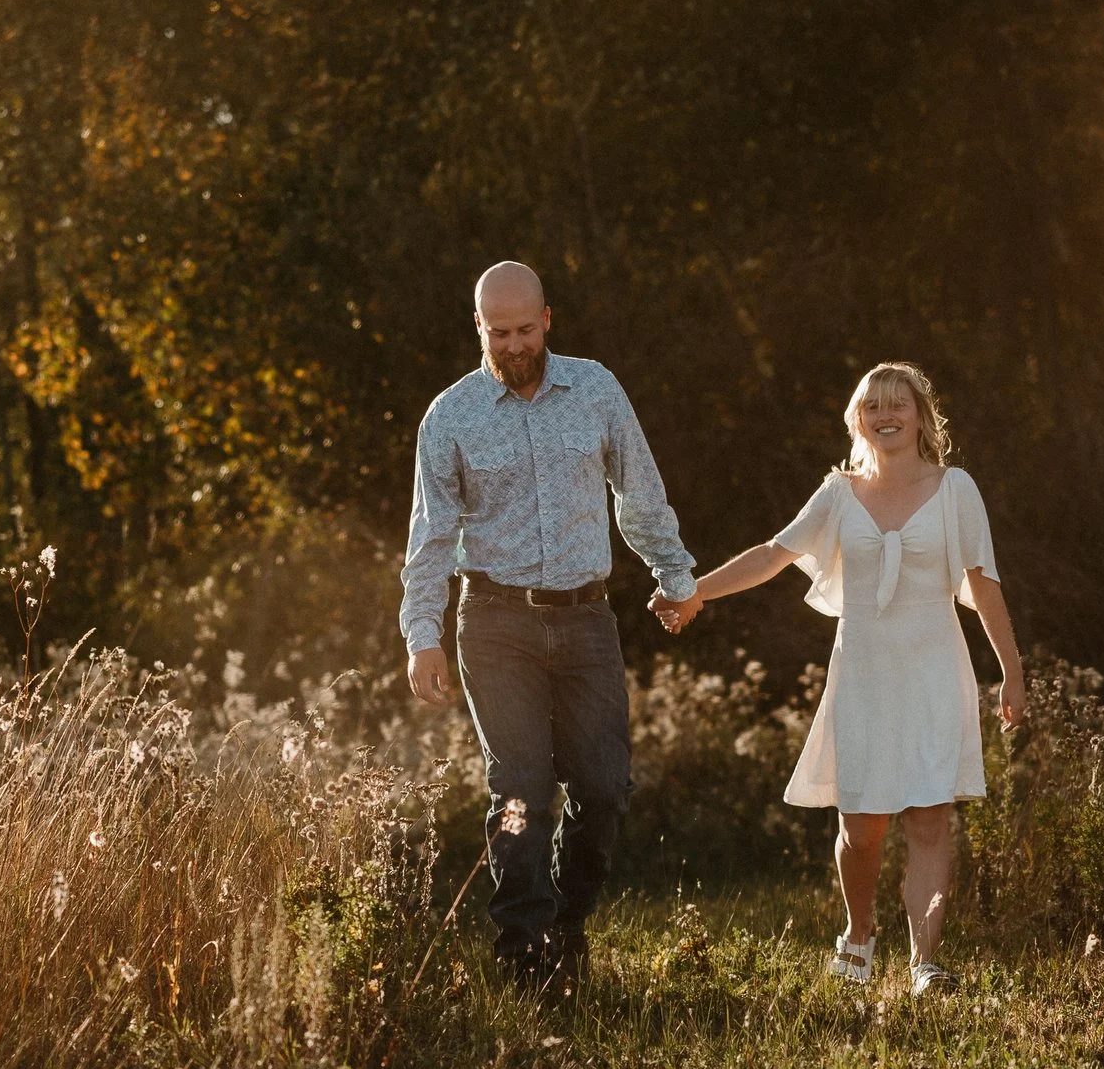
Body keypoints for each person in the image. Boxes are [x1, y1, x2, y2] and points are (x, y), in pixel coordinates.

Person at [653, 362, 1023, 995]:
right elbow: (774, 555)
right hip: (863, 673)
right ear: (857, 419)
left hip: (935, 670)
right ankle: (858, 934)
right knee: (862, 825)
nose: (886, 414)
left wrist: (1012, 673)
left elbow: (983, 585)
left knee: (931, 821)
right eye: (872, 404)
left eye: (897, 403)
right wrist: (695, 592)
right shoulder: (838, 493)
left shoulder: (957, 489)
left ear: (920, 416)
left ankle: (925, 964)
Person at [400, 261, 703, 992]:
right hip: (494, 623)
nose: (512, 346)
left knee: (603, 787)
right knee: (518, 791)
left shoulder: (595, 389)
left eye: (524, 330)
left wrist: (676, 575)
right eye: (497, 332)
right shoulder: (450, 416)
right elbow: (431, 537)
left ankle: (567, 923)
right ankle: (521, 950)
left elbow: (639, 493)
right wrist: (423, 635)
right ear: (478, 327)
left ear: (549, 321)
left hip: (585, 618)